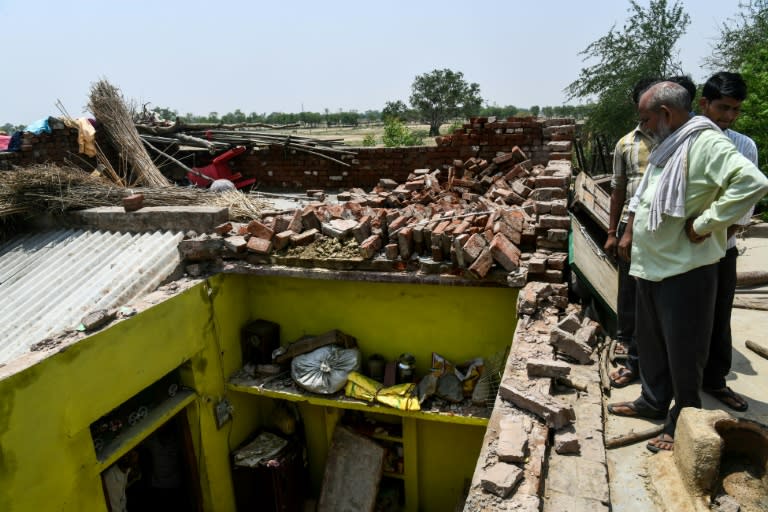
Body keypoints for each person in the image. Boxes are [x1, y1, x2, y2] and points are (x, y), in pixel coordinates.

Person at [608, 81, 768, 453]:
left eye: (646, 117)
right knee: (651, 346)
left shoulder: (704, 141)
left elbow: (753, 182)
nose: (643, 124)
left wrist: (705, 223)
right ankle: (652, 400)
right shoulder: (670, 144)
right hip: (653, 266)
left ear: (665, 114)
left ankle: (684, 418)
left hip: (686, 270)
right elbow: (646, 194)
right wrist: (631, 232)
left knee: (684, 351)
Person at [698, 71, 759, 412]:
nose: (729, 117)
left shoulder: (743, 146)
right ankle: (669, 385)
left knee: (718, 318)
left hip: (721, 249)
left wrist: (714, 236)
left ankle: (715, 381)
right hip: (680, 251)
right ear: (704, 104)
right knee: (678, 318)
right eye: (723, 108)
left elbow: (744, 208)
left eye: (735, 110)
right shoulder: (682, 140)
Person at [603, 77, 659, 388]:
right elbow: (618, 189)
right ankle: (625, 338)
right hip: (630, 224)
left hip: (664, 227)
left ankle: (650, 348)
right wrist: (613, 232)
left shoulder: (676, 141)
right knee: (629, 287)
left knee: (655, 290)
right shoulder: (626, 143)